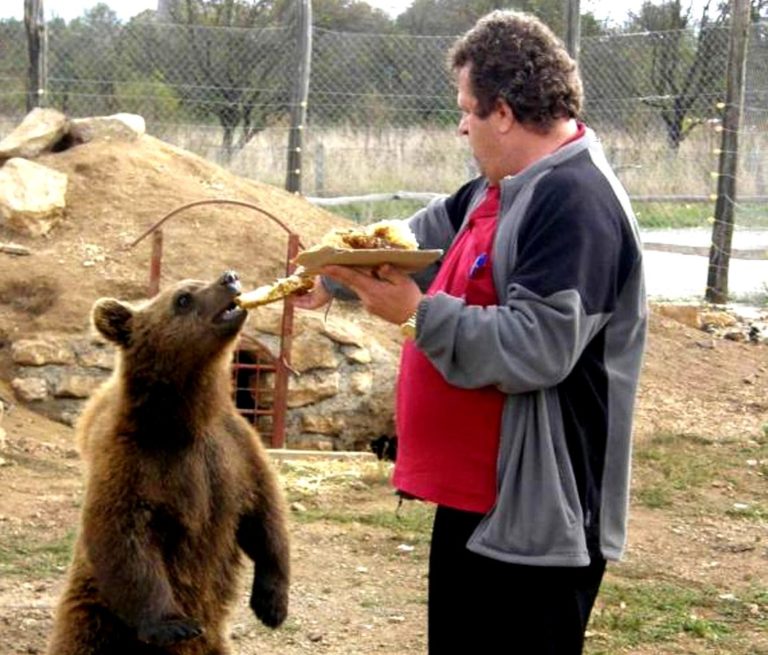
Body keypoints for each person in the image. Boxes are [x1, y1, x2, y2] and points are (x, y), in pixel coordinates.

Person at [294, 10, 647, 654]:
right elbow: (417, 237)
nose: (460, 125)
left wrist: (414, 313)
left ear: (504, 112)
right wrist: (335, 273)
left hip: (541, 521)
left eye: (467, 109)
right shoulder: (503, 187)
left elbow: (535, 347)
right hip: (482, 504)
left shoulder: (576, 203)